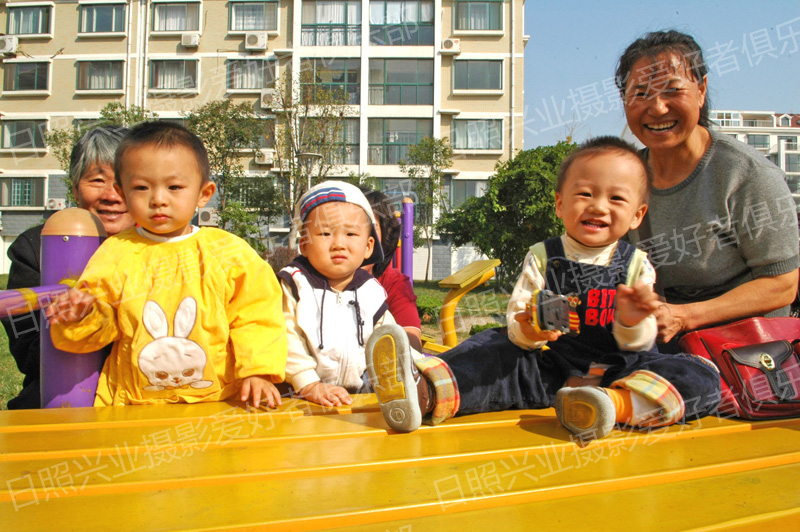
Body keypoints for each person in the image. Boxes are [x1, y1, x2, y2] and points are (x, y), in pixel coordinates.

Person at [367, 137, 721, 440]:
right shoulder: (542, 256)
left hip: (621, 372)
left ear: (637, 215)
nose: (598, 206)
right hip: (551, 369)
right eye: (585, 193)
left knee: (697, 372)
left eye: (616, 199)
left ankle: (612, 406)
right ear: (560, 204)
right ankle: (423, 391)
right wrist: (530, 330)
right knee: (490, 348)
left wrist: (631, 322)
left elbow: (640, 344)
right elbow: (516, 324)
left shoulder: (637, 265)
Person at [45, 121, 287, 408]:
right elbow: (101, 324)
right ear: (123, 193)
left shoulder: (228, 252)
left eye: (174, 187)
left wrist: (257, 371)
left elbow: (256, 314)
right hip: (133, 404)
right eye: (141, 187)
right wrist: (81, 315)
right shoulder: (116, 253)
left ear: (204, 193)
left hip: (219, 399)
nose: (158, 199)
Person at [616, 30, 800, 350]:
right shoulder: (625, 177)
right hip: (659, 340)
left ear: (701, 91)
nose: (657, 108)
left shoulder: (747, 175)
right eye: (640, 93)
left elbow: (782, 284)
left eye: (672, 90)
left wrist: (686, 316)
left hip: (741, 352)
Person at [1, 125, 135, 410]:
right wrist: (74, 318)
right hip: (57, 403)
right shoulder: (34, 248)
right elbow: (29, 354)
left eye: (124, 181)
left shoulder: (166, 250)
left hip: (141, 403)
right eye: (97, 180)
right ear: (75, 187)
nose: (111, 195)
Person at [361, 187, 423, 351]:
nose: (359, 237)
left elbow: (411, 347)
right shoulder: (306, 281)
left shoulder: (392, 284)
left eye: (369, 227)